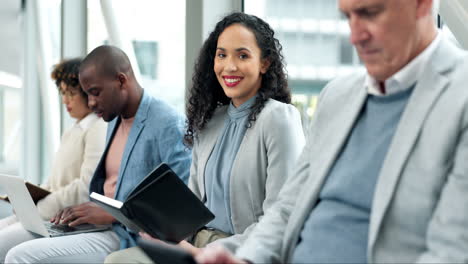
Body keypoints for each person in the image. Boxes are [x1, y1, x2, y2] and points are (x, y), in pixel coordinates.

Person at [195, 0, 468, 263]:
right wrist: (247, 258)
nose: (355, 36)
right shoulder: (337, 96)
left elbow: (452, 250)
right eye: (348, 17)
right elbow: (288, 209)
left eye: (370, 13)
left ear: (420, 4)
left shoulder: (460, 97)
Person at [104, 12, 305, 263]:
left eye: (242, 55)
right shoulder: (210, 121)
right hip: (194, 243)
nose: (229, 66)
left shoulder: (278, 119)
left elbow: (282, 216)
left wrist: (205, 252)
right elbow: (193, 203)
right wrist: (160, 229)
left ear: (264, 63)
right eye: (222, 55)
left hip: (243, 250)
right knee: (119, 260)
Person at [4, 45, 192, 263]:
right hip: (96, 226)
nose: (91, 103)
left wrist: (114, 214)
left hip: (125, 234)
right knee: (8, 242)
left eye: (95, 93)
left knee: (20, 256)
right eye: (87, 94)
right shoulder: (114, 120)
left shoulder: (168, 123)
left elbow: (180, 207)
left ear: (121, 80)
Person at [0, 58, 107, 262]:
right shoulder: (73, 130)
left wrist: (40, 208)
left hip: (64, 220)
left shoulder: (97, 129)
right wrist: (29, 201)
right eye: (62, 93)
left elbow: (85, 187)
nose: (65, 100)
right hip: (47, 214)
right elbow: (55, 182)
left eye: (71, 93)